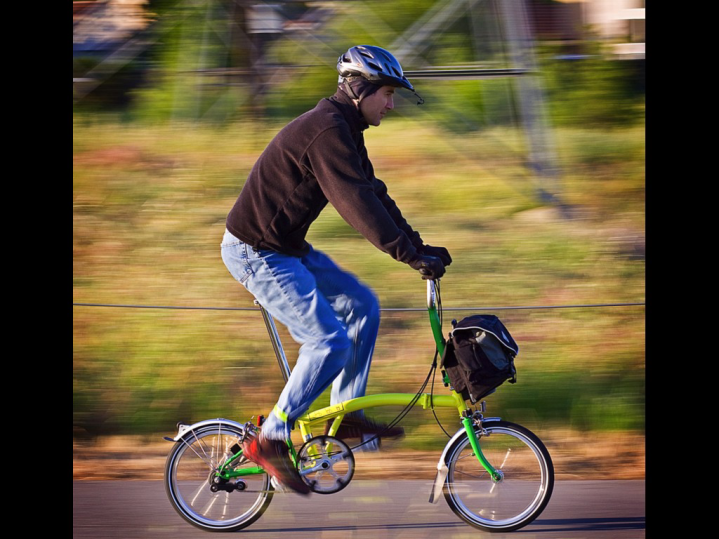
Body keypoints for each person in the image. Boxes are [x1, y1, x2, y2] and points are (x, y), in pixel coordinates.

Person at [220, 45, 451, 494]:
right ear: (360, 89)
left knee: (363, 304)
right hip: (256, 252)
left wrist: (418, 245)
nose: (391, 104)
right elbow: (355, 203)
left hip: (286, 248)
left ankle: (344, 416)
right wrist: (406, 254)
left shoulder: (344, 128)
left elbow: (374, 192)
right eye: (387, 93)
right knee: (328, 342)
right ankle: (271, 437)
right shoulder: (326, 130)